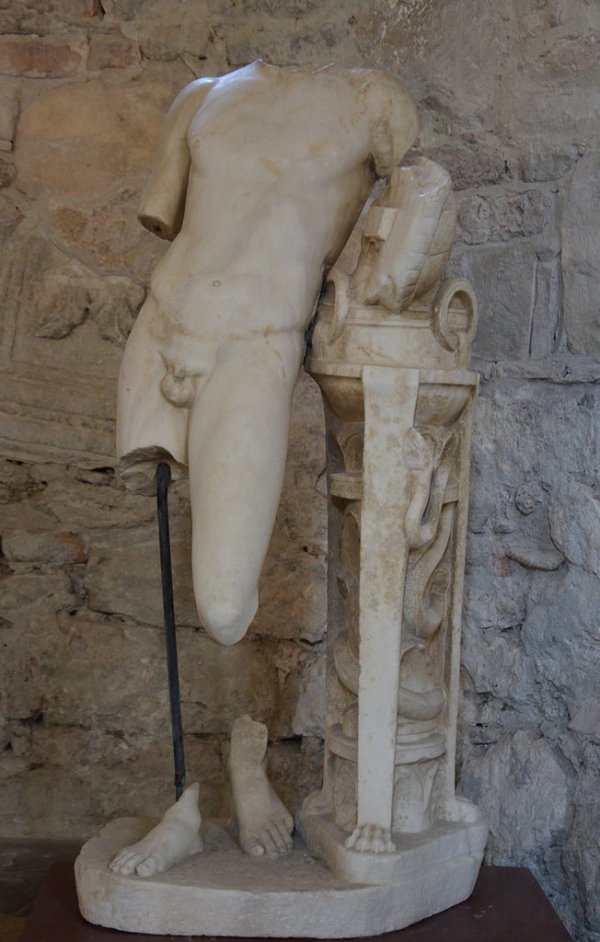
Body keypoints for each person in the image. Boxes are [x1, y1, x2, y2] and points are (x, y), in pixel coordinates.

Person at [112, 60, 418, 874]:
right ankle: (183, 801)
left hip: (258, 342)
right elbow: (174, 218)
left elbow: (418, 210)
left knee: (222, 602)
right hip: (165, 325)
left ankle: (248, 756)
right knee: (162, 549)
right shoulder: (204, 95)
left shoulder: (372, 98)